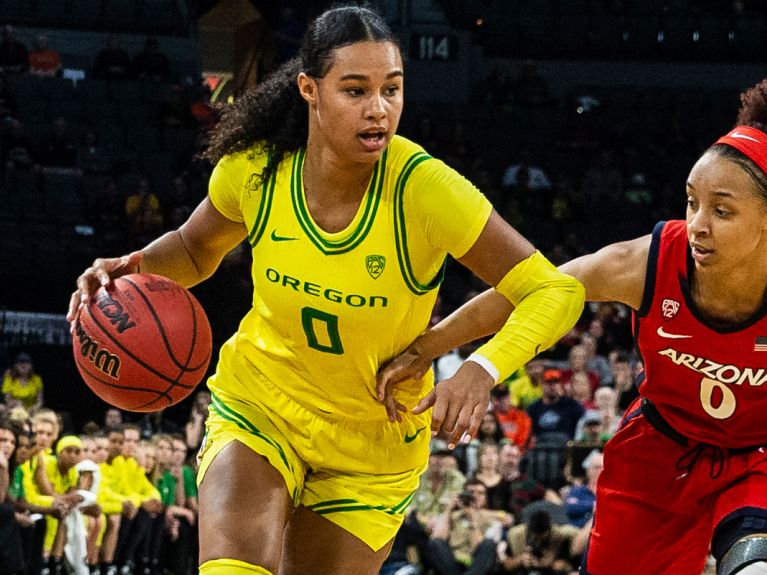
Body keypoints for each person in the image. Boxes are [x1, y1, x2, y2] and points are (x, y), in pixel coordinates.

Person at [67, 6, 584, 575]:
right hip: (262, 405)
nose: (379, 109)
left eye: (392, 89)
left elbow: (553, 291)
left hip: (371, 443)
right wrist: (132, 267)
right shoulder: (257, 170)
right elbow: (194, 250)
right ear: (309, 89)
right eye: (356, 90)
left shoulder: (426, 190)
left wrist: (479, 368)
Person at [379, 78, 767, 574]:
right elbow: (531, 287)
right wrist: (431, 348)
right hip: (661, 453)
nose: (697, 224)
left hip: (756, 456)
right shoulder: (649, 262)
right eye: (691, 202)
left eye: (722, 210)